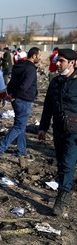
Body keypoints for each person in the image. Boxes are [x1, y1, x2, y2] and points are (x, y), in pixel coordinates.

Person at [38, 48, 77, 216]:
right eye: (57, 60)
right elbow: (48, 106)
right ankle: (67, 189)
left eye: (61, 61)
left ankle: (61, 198)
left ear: (72, 63)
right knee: (62, 163)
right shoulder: (55, 82)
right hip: (59, 129)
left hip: (74, 131)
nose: (58, 64)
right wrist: (43, 127)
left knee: (68, 163)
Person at [0, 47, 41, 166]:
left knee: (21, 126)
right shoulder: (30, 69)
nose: (40, 58)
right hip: (23, 100)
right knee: (19, 126)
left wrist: (10, 94)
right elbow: (25, 85)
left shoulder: (19, 66)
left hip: (16, 99)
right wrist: (14, 95)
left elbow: (11, 82)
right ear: (34, 56)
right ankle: (1, 147)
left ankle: (21, 151)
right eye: (39, 55)